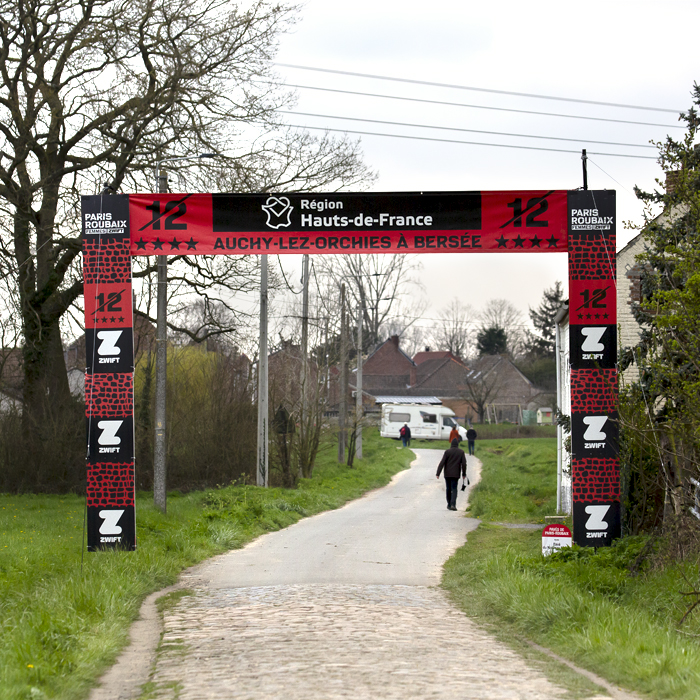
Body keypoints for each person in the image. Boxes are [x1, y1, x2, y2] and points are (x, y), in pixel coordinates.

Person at [436, 438, 467, 510]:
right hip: (456, 474)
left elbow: (442, 462)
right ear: (457, 444)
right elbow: (464, 464)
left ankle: (449, 504)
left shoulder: (447, 452)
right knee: (454, 488)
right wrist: (464, 473)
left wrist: (438, 473)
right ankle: (453, 504)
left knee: (448, 489)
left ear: (451, 444)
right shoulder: (461, 452)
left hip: (447, 474)